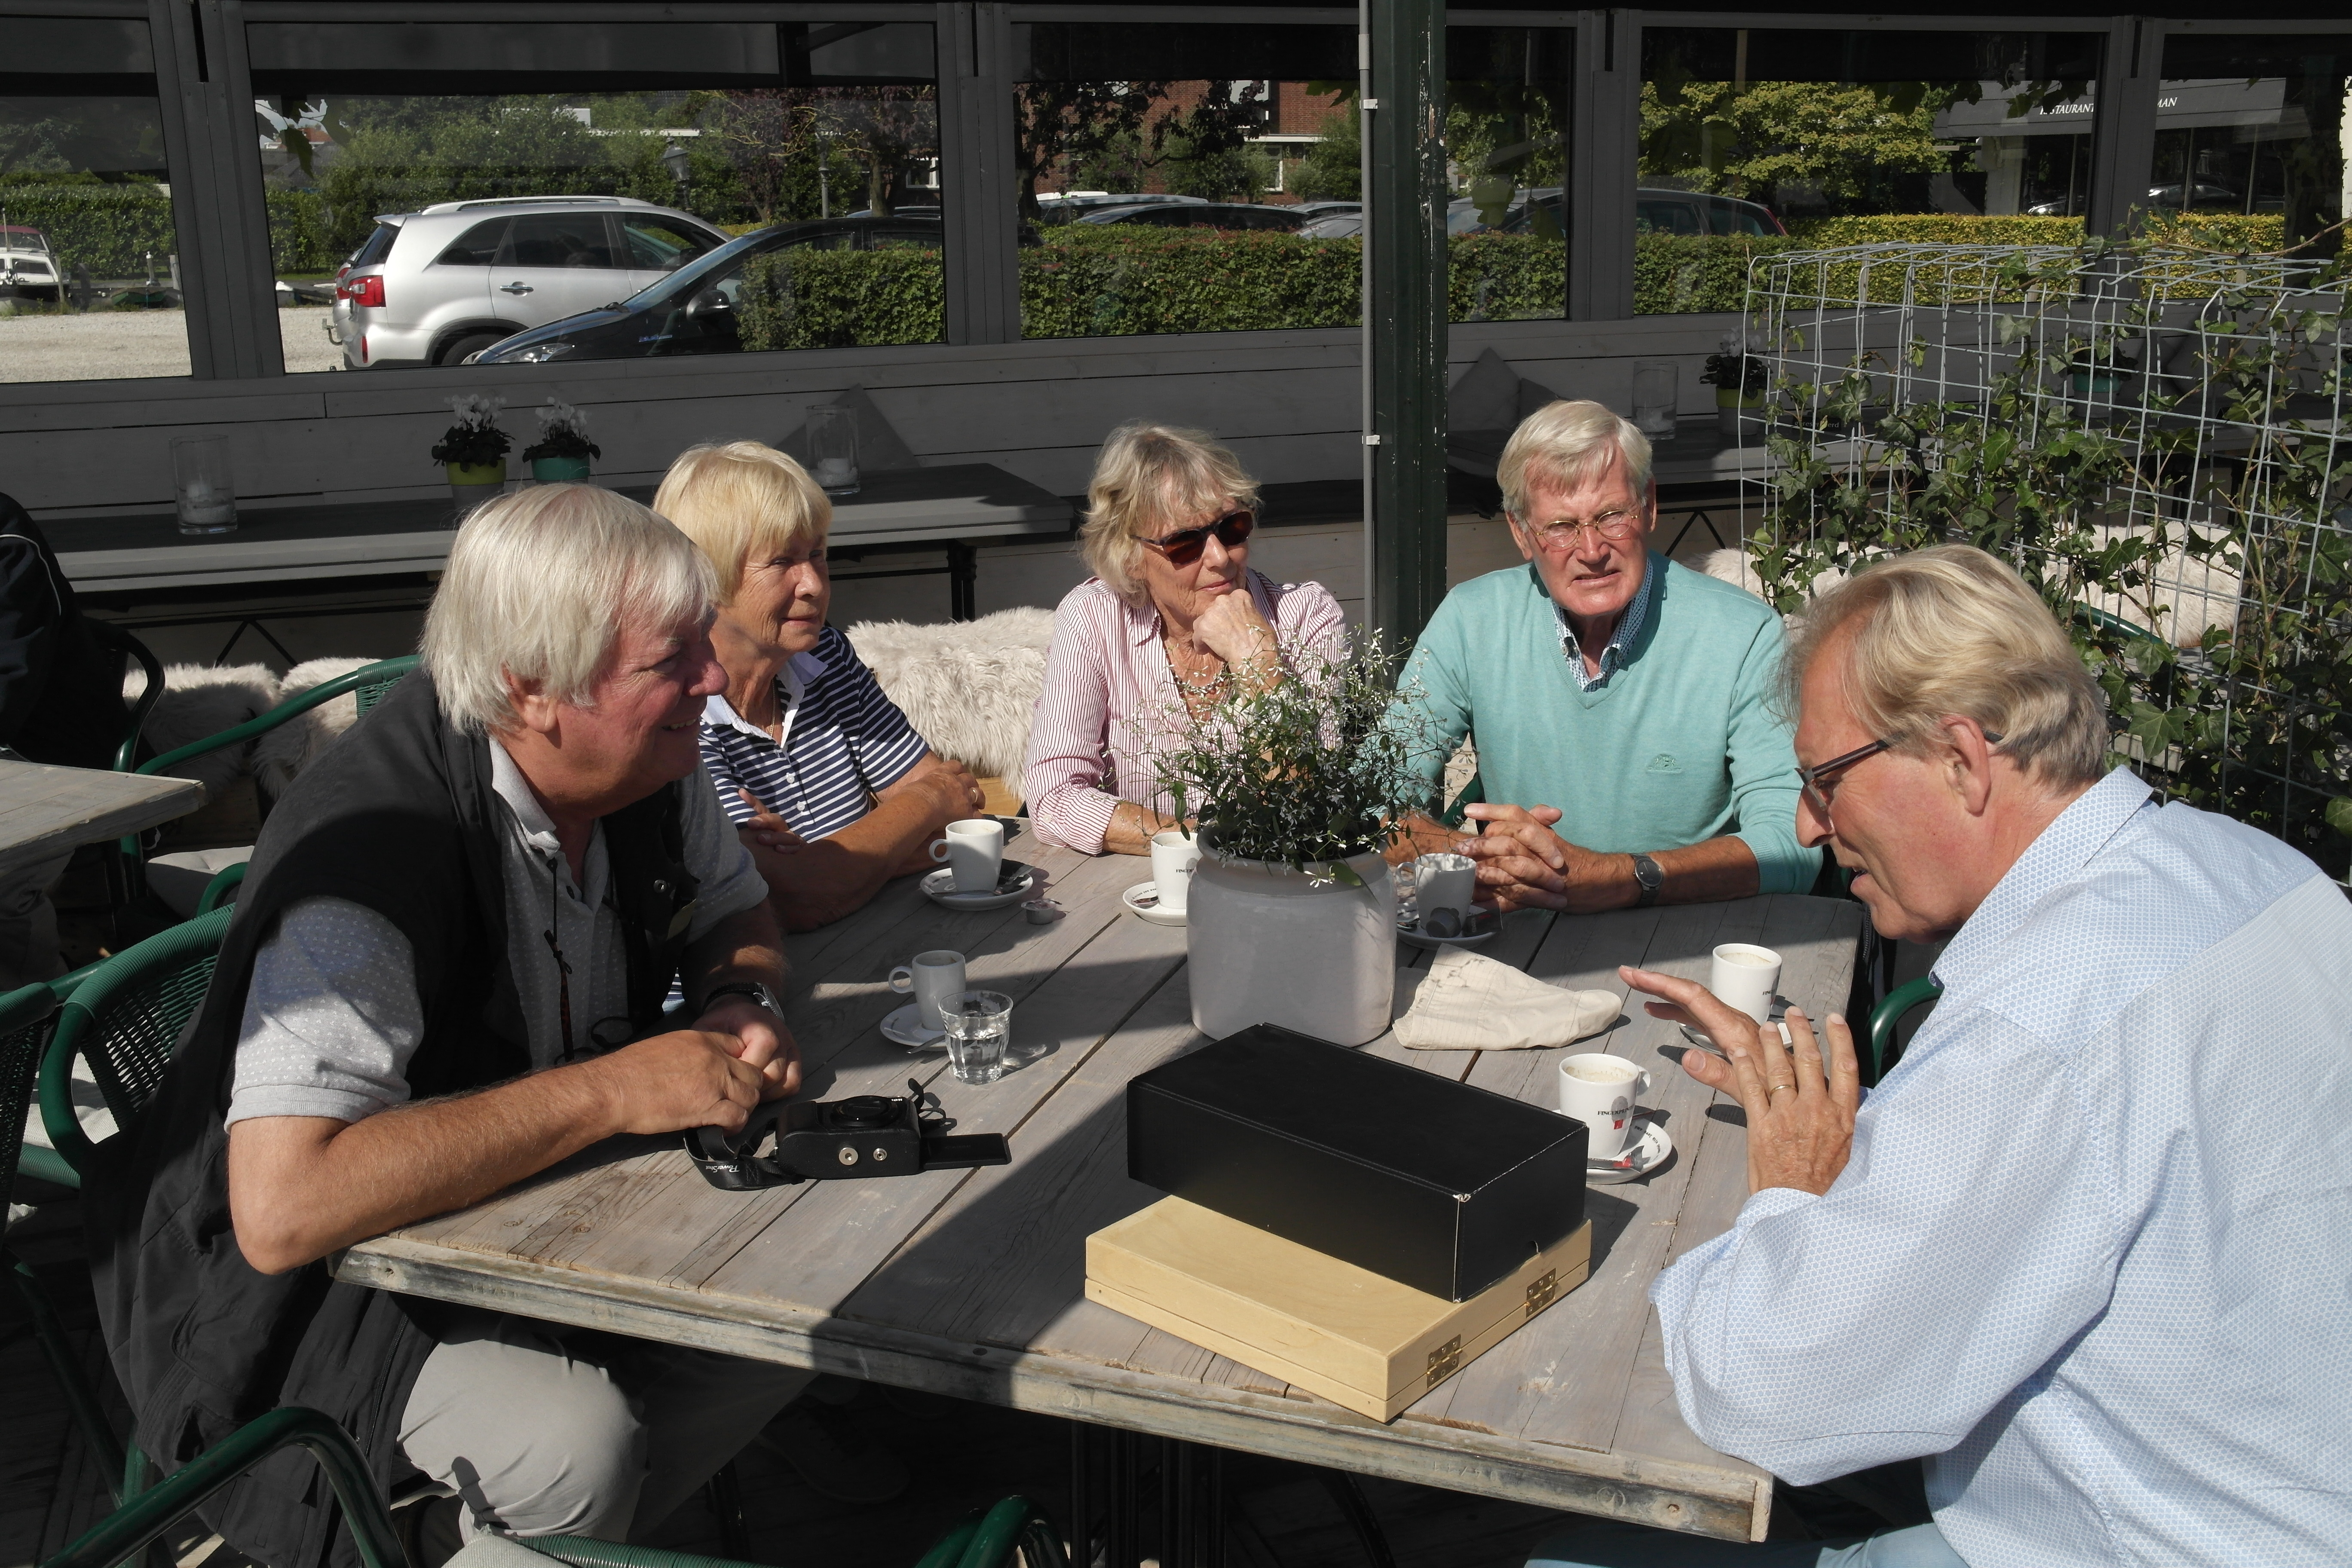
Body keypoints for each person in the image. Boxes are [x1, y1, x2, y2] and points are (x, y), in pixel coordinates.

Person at [1534, 545, 2352, 1568]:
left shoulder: (2038, 1021)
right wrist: (1876, 1134)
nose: (1809, 825)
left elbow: (1771, 1391)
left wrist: (1790, 1186)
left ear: (1962, 759)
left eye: (1824, 782)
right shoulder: (2260, 872)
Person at [87, 487, 814, 1568]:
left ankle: (462, 1541)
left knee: (793, 1315)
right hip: (286, 1302)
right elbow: (281, 1211)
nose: (713, 679)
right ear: (532, 687)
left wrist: (739, 998)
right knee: (575, 1450)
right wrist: (616, 1089)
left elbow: (735, 909)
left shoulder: (644, 763)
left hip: (520, 1219)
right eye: (673, 660)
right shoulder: (371, 861)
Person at [1390, 399, 1816, 909]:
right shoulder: (1472, 619)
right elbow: (1371, 799)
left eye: (1612, 516)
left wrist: (1618, 878)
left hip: (1683, 930)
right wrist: (1477, 858)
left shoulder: (1743, 634)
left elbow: (1794, 843)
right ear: (1521, 533)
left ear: (1649, 505)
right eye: (1560, 527)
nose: (1591, 550)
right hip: (1526, 928)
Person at [653, 442, 986, 930]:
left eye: (817, 554)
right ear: (709, 577)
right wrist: (926, 801)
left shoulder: (825, 656)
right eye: (781, 562)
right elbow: (800, 897)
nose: (812, 583)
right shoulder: (681, 710)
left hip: (878, 941)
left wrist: (831, 866)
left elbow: (963, 822)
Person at [1024, 423, 1346, 854]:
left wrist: (1258, 662)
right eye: (1185, 543)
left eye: (1232, 528)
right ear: (1130, 557)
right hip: (1141, 882)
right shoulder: (1096, 618)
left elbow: (1311, 805)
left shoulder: (1305, 616)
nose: (1220, 557)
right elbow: (1055, 797)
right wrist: (1203, 843)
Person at [0, 491, 131, 987]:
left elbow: (9, 683)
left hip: (48, 762)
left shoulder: (7, 542)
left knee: (4, 881)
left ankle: (36, 1018)